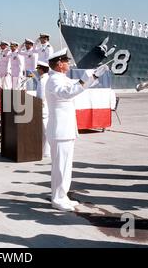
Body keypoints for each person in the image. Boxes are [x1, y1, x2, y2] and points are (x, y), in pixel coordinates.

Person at [46, 48, 109, 211]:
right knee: (60, 166)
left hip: (65, 129)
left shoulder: (61, 78)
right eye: (66, 61)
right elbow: (67, 93)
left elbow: (76, 88)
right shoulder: (54, 80)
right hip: (59, 130)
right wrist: (84, 79)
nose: (68, 63)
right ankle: (57, 198)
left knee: (66, 166)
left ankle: (63, 195)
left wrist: (94, 77)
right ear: (59, 64)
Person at [36, 61, 51, 158]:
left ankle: (46, 152)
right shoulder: (47, 79)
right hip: (47, 108)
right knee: (46, 131)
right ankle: (46, 151)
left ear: (41, 69)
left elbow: (41, 97)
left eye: (38, 68)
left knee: (44, 131)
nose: (37, 70)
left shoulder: (42, 80)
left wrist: (38, 106)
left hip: (43, 109)